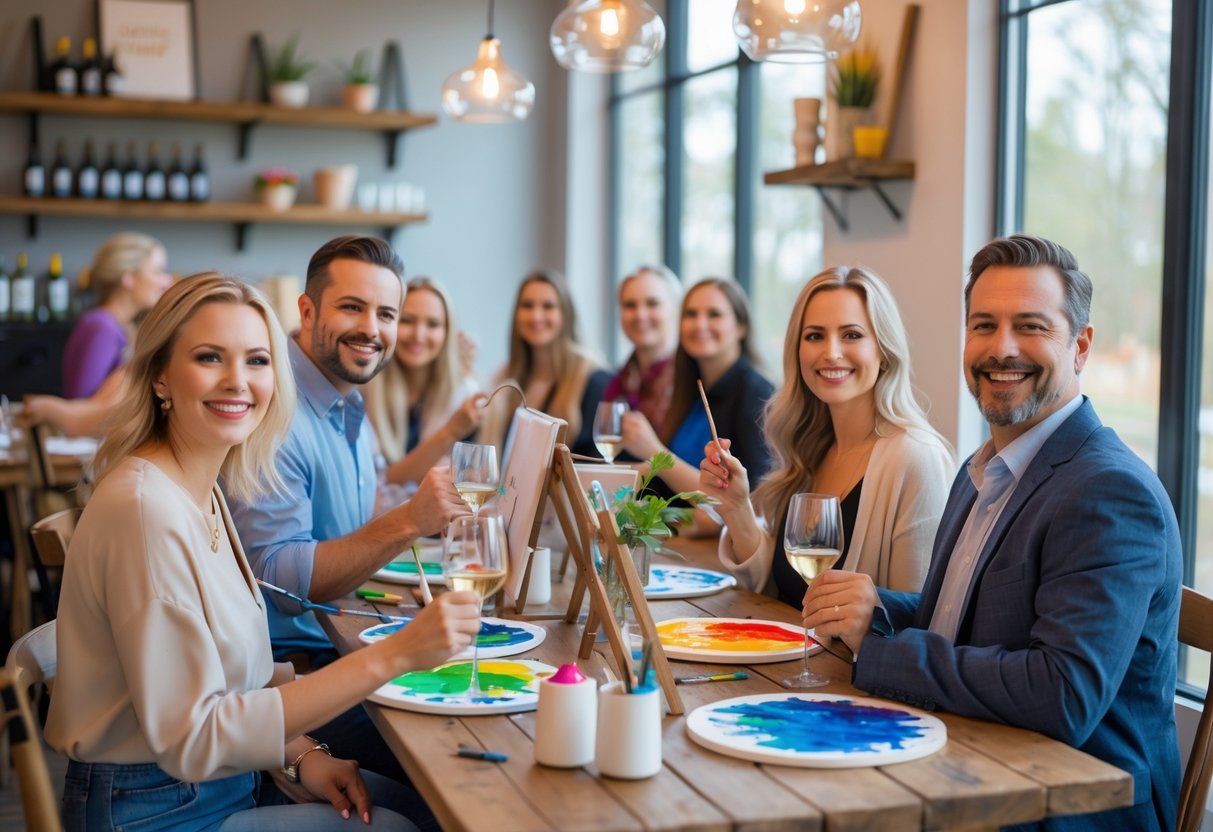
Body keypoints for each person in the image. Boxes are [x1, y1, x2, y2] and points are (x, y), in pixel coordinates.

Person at [45, 273, 482, 831]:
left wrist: (299, 753)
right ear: (160, 376)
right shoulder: (145, 509)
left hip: (211, 781)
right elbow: (195, 737)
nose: (238, 382)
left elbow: (228, 678)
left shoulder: (197, 486)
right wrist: (396, 655)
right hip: (153, 809)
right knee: (410, 820)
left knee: (414, 803)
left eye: (257, 361)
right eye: (209, 357)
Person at [804, 235, 1182, 831]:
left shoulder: (1110, 492)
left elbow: (1060, 694)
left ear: (1080, 346)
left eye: (1030, 326)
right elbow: (960, 621)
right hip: (970, 764)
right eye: (983, 326)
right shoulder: (981, 470)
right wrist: (878, 606)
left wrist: (880, 650)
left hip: (1062, 809)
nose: (1001, 348)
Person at [225, 236, 470, 825]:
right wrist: (410, 521)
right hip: (293, 681)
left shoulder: (345, 399)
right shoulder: (275, 410)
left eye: (386, 314)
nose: (373, 329)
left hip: (332, 654)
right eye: (352, 308)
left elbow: (350, 527)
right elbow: (279, 581)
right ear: (308, 312)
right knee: (466, 760)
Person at [699, 267, 953, 605]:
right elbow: (781, 592)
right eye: (815, 336)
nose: (831, 353)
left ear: (884, 352)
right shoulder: (810, 448)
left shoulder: (916, 456)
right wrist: (736, 508)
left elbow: (919, 617)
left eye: (852, 335)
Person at [620, 277, 774, 502]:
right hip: (682, 535)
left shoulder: (755, 393)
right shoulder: (688, 388)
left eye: (714, 314)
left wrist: (656, 453)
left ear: (740, 327)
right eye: (691, 314)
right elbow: (672, 483)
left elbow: (749, 498)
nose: (700, 324)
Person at [20, 233, 173, 436]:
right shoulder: (101, 327)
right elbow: (80, 404)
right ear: (128, 278)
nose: (167, 281)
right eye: (158, 271)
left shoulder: (119, 326)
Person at [363, 276, 484, 490]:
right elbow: (377, 483)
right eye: (407, 320)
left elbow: (470, 486)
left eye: (433, 324)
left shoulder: (465, 394)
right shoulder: (366, 390)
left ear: (448, 332)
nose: (419, 335)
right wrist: (450, 432)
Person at [478, 269, 609, 457]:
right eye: (527, 305)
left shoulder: (595, 380)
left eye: (548, 306)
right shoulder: (504, 379)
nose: (536, 316)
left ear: (566, 314)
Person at [603, 264, 681, 435]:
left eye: (652, 303)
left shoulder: (689, 380)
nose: (640, 315)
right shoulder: (618, 382)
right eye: (630, 305)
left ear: (675, 309)